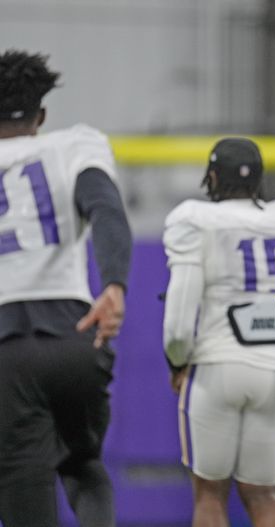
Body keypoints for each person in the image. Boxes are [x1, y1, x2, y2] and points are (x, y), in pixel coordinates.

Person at [0, 50, 131, 527]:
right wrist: (114, 284)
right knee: (84, 465)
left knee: (22, 483)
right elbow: (105, 208)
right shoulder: (75, 144)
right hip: (75, 332)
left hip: (7, 349)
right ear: (41, 115)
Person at [162, 137, 275, 527]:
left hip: (216, 365)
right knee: (264, 496)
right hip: (274, 369)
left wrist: (177, 360)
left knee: (209, 495)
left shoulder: (196, 219)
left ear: (212, 177)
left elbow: (180, 314)